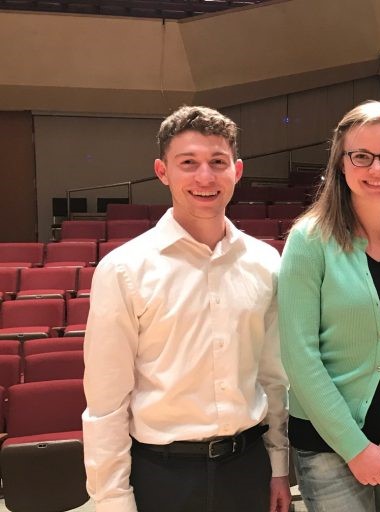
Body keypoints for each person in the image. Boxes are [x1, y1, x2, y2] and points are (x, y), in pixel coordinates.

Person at [82, 105, 290, 512]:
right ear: (163, 172)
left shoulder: (266, 264)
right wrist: (112, 501)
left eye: (217, 162)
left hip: (247, 467)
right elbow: (106, 402)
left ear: (238, 170)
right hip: (162, 475)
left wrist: (278, 467)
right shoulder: (124, 269)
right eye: (188, 163)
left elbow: (273, 376)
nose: (205, 177)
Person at [278, 100, 380, 512]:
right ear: (341, 164)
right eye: (362, 157)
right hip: (328, 444)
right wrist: (354, 447)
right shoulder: (308, 241)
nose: (377, 169)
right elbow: (299, 355)